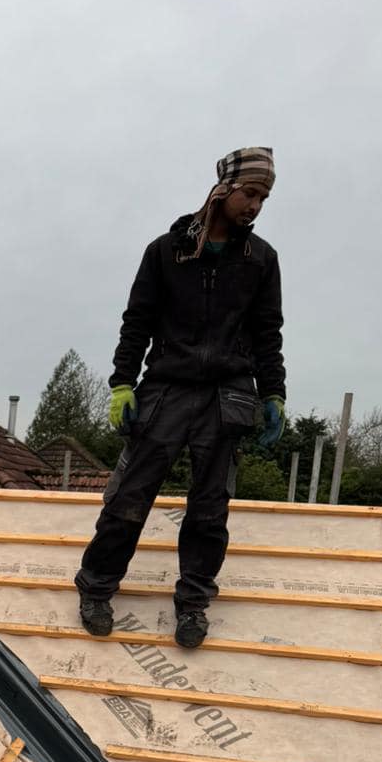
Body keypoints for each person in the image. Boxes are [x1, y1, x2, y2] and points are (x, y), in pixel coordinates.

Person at [75, 147, 286, 649]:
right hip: (166, 388)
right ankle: (96, 588)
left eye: (264, 198)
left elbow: (266, 332)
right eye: (250, 193)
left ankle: (193, 604)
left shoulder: (261, 260)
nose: (255, 206)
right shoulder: (167, 251)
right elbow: (138, 322)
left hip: (228, 395)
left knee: (210, 509)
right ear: (224, 190)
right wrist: (122, 382)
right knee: (130, 497)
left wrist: (273, 392)